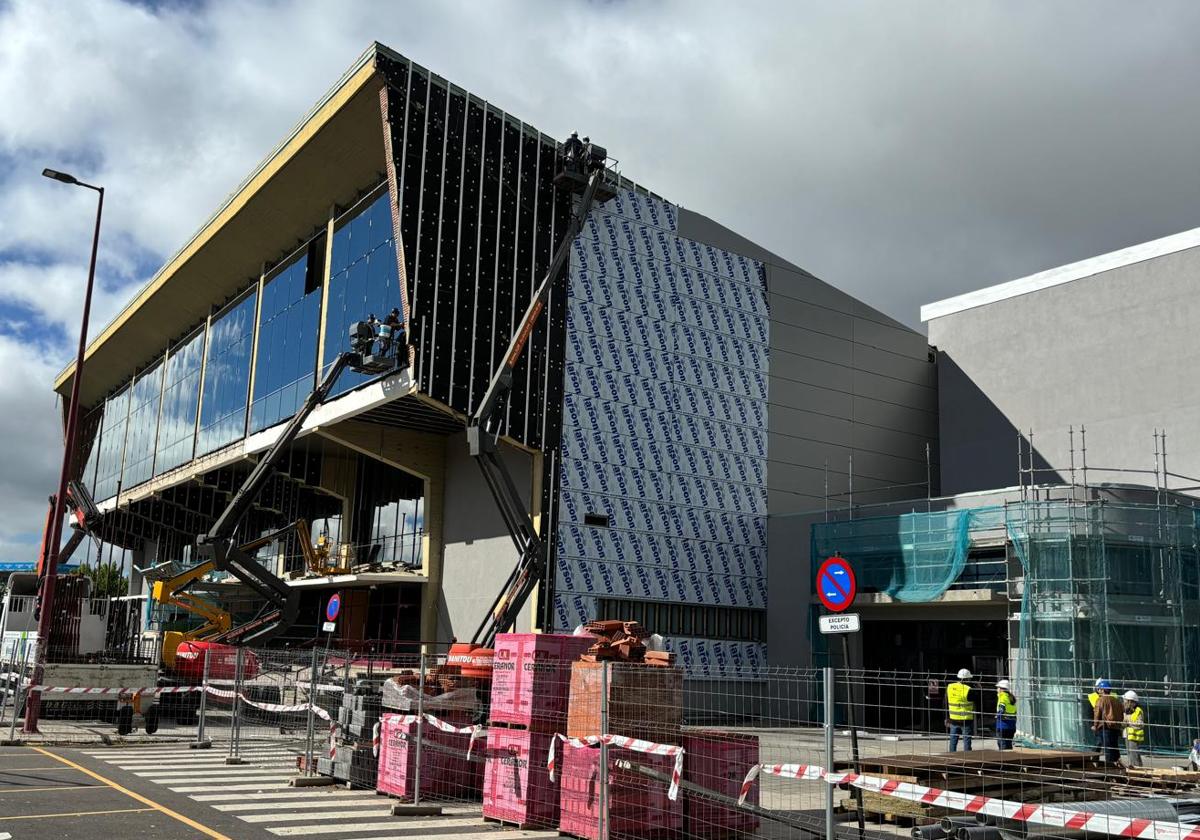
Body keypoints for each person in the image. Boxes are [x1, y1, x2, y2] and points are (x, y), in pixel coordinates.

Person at [1092, 680, 1123, 766]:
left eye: (1099, 689)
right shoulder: (1117, 701)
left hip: (1105, 728)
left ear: (1102, 690)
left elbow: (1097, 714)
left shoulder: (1100, 700)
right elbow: (1121, 715)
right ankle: (1116, 765)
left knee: (1108, 750)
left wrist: (1095, 726)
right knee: (1114, 748)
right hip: (1115, 728)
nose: (1098, 691)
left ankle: (1109, 769)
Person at [947, 668, 975, 752]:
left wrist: (946, 717)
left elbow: (946, 701)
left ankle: (951, 757)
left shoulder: (950, 687)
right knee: (966, 741)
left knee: (953, 741)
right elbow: (976, 698)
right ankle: (967, 758)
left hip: (953, 719)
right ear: (967, 679)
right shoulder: (968, 689)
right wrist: (978, 688)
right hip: (966, 719)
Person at [1122, 690, 1145, 768]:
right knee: (1130, 753)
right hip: (1127, 735)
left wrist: (1129, 722)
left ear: (1131, 702)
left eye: (1125, 700)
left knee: (1134, 754)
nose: (1124, 702)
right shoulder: (1126, 711)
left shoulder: (1138, 711)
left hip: (1134, 737)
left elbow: (1140, 724)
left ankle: (1137, 769)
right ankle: (1135, 767)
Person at [995, 679, 1017, 750]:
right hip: (1012, 725)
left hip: (1003, 725)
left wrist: (997, 716)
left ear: (1001, 689)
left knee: (1002, 746)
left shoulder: (1002, 697)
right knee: (1009, 745)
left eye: (998, 687)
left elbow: (1001, 709)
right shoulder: (1011, 697)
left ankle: (1004, 760)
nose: (997, 689)